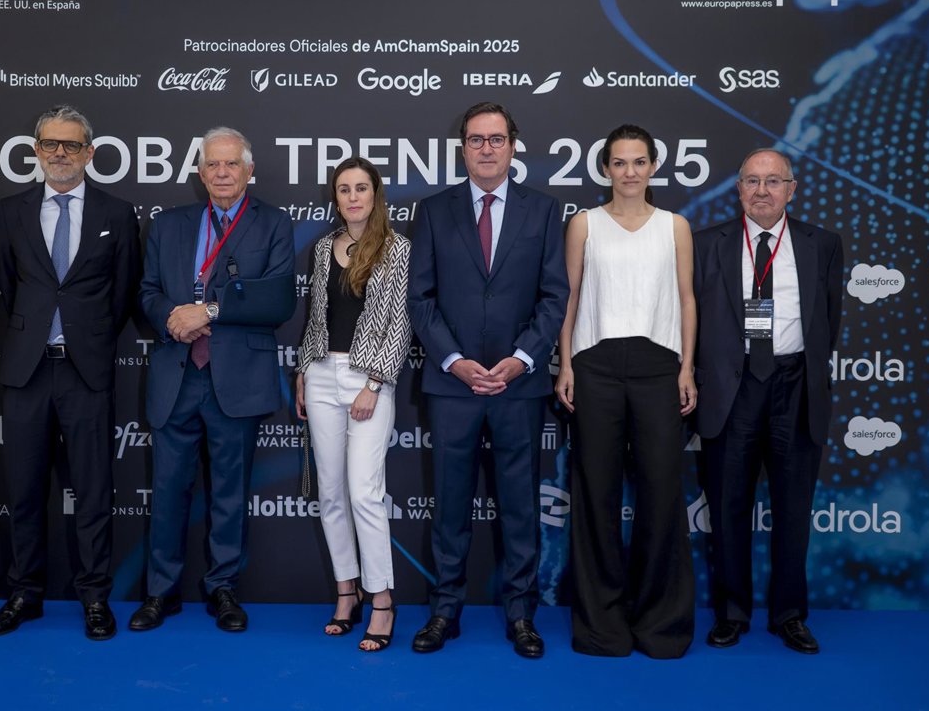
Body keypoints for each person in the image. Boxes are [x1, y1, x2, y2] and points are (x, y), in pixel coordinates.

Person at [407, 102, 568, 659]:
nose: (486, 148)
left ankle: (522, 615)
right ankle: (444, 611)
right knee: (449, 507)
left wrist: (522, 358)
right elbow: (420, 299)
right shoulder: (434, 211)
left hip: (517, 386)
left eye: (496, 139)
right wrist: (453, 360)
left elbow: (555, 296)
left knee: (520, 508)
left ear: (513, 146)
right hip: (452, 386)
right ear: (463, 148)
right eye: (476, 139)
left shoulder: (544, 211)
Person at [0, 105, 141, 641]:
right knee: (24, 491)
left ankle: (94, 597)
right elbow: (8, 287)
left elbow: (122, 294)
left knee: (93, 491)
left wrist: (86, 337)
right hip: (26, 371)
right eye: (50, 144)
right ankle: (24, 594)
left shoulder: (118, 214)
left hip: (86, 372)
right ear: (36, 151)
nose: (60, 154)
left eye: (72, 145)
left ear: (89, 153)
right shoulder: (11, 211)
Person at [131, 127, 295, 634]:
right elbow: (148, 291)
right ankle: (160, 592)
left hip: (236, 379)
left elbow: (277, 300)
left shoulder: (273, 223)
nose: (222, 173)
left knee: (230, 494)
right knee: (168, 492)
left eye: (232, 164)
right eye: (213, 165)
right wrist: (173, 318)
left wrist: (209, 311)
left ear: (250, 170)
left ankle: (223, 588)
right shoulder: (169, 225)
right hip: (177, 375)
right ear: (200, 173)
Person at [555, 124, 697, 659]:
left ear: (653, 167)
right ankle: (601, 626)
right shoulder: (584, 224)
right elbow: (569, 299)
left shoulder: (675, 226)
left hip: (660, 368)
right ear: (605, 169)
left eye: (639, 162)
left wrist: (687, 368)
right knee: (596, 495)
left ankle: (661, 624)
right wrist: (564, 364)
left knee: (661, 493)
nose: (630, 172)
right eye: (619, 162)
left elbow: (686, 299)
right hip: (594, 367)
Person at [694, 148, 843, 655]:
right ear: (738, 189)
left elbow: (829, 319)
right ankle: (732, 613)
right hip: (731, 388)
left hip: (796, 385)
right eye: (752, 181)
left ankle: (789, 615)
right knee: (728, 507)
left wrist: (801, 370)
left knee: (794, 509)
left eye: (773, 181)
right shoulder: (705, 244)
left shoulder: (823, 244)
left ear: (792, 190)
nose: (762, 191)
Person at [294, 157, 412, 652]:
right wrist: (304, 371)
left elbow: (400, 323)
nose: (353, 197)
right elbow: (316, 317)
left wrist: (375, 383)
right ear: (336, 198)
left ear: (375, 193)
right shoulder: (323, 248)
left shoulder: (397, 248)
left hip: (369, 379)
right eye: (344, 189)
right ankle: (348, 592)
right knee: (331, 493)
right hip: (322, 375)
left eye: (361, 188)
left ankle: (382, 599)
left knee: (365, 492)